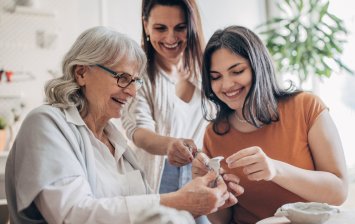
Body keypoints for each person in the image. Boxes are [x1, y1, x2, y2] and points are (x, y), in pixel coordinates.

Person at [5, 26, 241, 224]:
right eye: (122, 78)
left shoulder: (116, 141)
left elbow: (149, 214)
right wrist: (178, 200)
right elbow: (72, 214)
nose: (131, 91)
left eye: (135, 81)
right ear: (81, 73)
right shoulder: (45, 123)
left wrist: (200, 198)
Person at [192, 25, 348, 223]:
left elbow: (339, 191)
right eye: (216, 77)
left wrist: (275, 170)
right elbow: (221, 220)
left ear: (259, 67)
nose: (226, 85)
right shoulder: (215, 133)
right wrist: (210, 190)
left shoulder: (305, 107)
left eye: (237, 71)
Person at [122, 0, 205, 195]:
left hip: (200, 174)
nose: (170, 37)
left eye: (180, 27)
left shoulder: (205, 70)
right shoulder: (137, 74)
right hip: (156, 179)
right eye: (160, 28)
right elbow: (139, 133)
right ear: (146, 26)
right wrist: (170, 145)